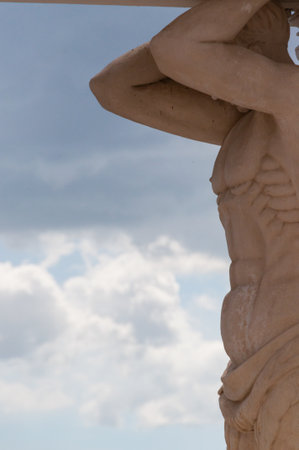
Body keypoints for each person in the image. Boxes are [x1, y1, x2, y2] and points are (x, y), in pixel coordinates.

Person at [90, 1, 299, 447]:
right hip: (247, 370)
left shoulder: (294, 99)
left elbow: (179, 48)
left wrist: (230, 13)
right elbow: (111, 87)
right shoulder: (242, 125)